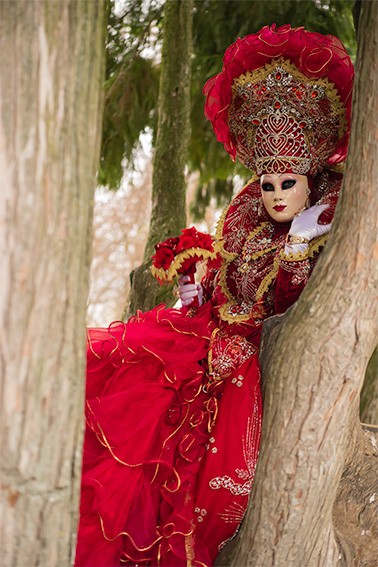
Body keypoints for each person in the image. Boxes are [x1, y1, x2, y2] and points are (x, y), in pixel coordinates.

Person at [75, 24, 354, 567]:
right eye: (268, 184)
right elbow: (231, 284)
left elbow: (292, 304)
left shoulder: (326, 222)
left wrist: (298, 246)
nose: (275, 196)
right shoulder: (245, 216)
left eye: (287, 184)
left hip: (241, 357)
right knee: (131, 382)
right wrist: (196, 290)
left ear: (309, 179)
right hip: (206, 335)